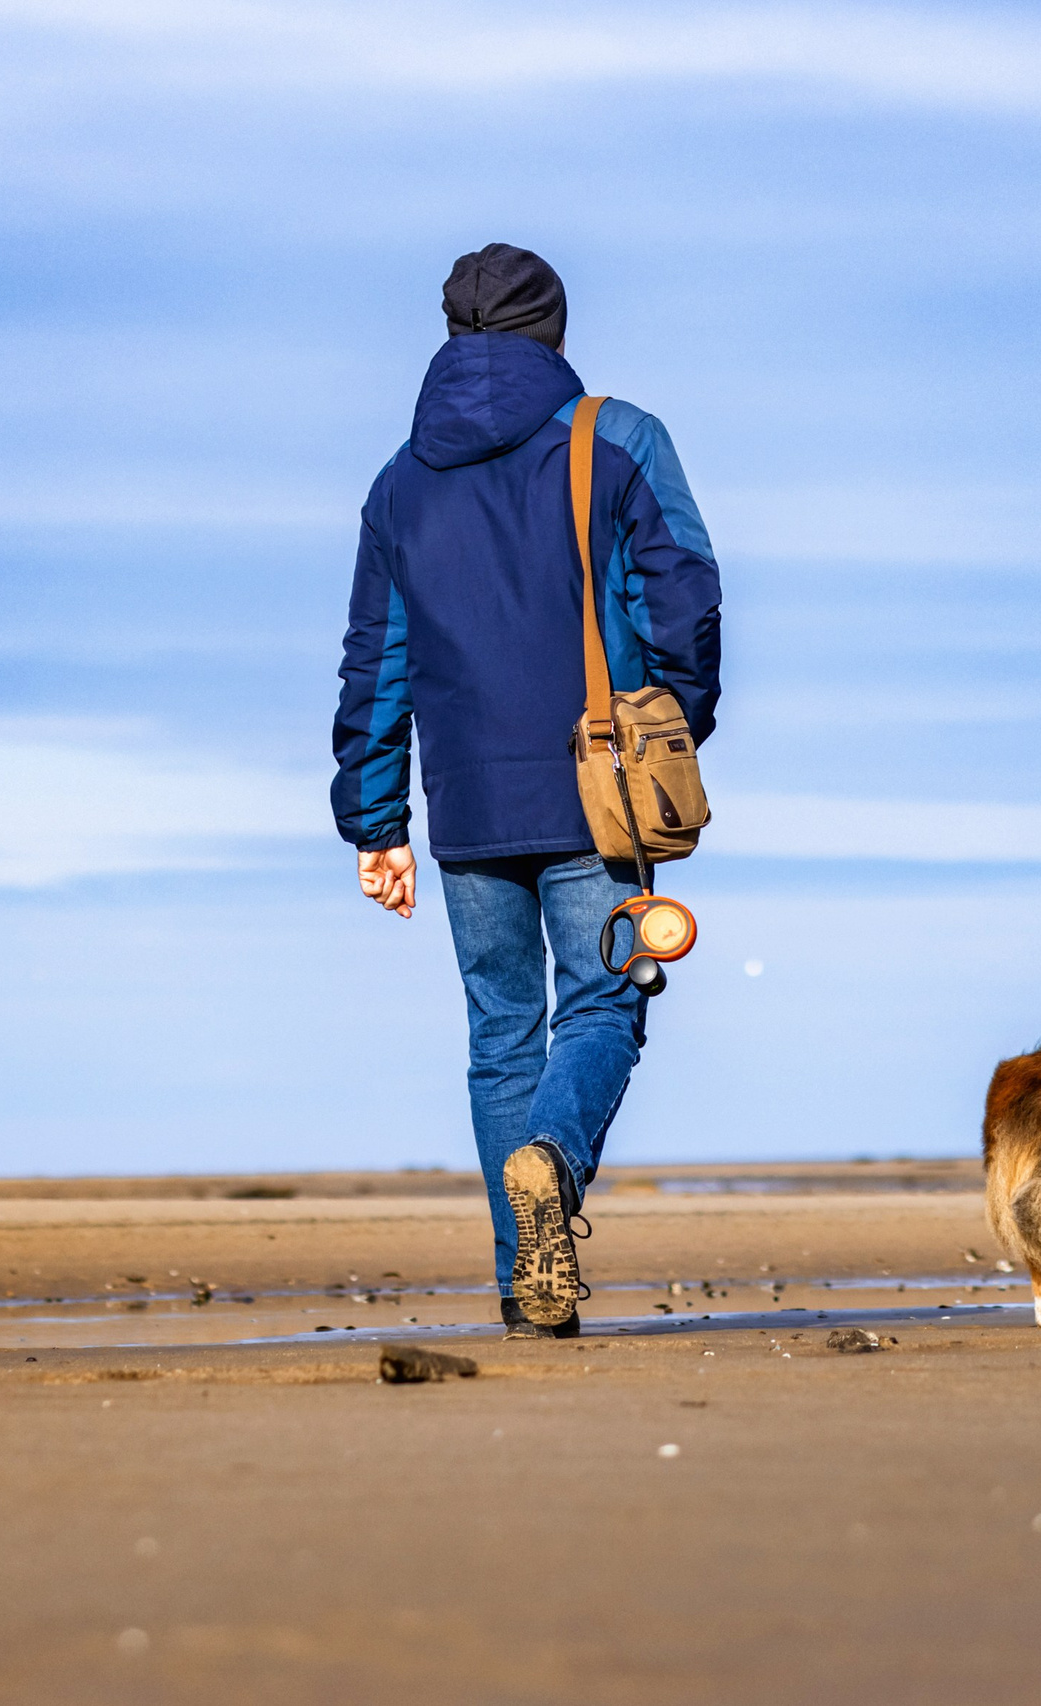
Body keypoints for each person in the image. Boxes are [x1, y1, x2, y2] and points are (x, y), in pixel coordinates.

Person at [331, 243, 723, 1339]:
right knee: (606, 1002)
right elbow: (684, 598)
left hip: (462, 801)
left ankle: (527, 1290)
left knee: (502, 1032)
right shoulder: (616, 438)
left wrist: (374, 822)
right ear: (553, 330)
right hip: (600, 784)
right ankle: (551, 1160)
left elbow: (377, 660)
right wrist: (676, 724)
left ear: (453, 334)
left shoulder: (399, 482)